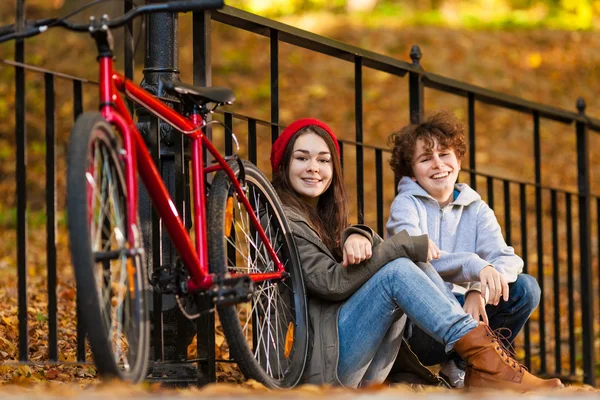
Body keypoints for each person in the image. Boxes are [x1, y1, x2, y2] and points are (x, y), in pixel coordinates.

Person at [270, 117, 562, 391]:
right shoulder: (286, 220)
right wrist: (403, 246)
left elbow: (505, 257)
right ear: (283, 165)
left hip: (345, 350)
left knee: (524, 286)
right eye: (301, 158)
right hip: (320, 365)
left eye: (323, 160)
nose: (313, 167)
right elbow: (331, 283)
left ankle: (480, 366)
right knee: (401, 267)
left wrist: (358, 234)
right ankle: (490, 364)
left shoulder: (321, 219)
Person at [386, 110, 542, 388]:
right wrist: (474, 266)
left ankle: (466, 368)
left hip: (469, 314)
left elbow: (506, 258)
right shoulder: (406, 205)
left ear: (458, 160)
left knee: (526, 289)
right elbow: (417, 257)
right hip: (423, 323)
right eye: (425, 158)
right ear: (412, 171)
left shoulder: (477, 208)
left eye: (444, 154)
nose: (437, 164)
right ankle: (458, 363)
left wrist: (475, 289)